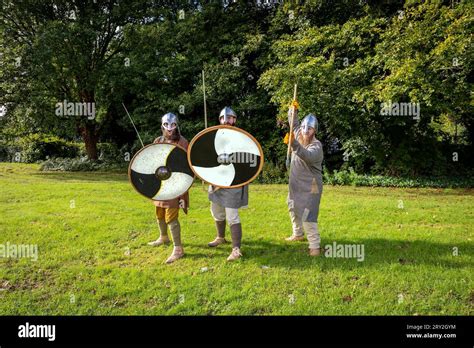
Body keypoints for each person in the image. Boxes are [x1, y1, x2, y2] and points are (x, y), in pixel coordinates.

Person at [147, 112, 189, 264]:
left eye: (173, 125)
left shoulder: (183, 142)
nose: (170, 129)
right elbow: (152, 160)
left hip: (176, 184)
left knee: (171, 215)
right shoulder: (158, 140)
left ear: (177, 125)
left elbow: (186, 165)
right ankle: (163, 237)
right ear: (162, 126)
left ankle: (178, 249)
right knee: (159, 212)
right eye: (167, 125)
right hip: (161, 184)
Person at [207, 106, 248, 261]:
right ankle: (221, 237)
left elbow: (247, 159)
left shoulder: (241, 137)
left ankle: (236, 249)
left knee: (232, 216)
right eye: (224, 118)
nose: (226, 121)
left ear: (234, 120)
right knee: (216, 211)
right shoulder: (214, 136)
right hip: (217, 180)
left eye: (229, 118)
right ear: (220, 119)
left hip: (233, 181)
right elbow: (207, 156)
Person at [285, 105, 324, 256]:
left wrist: (293, 143)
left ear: (315, 130)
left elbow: (306, 155)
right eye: (303, 127)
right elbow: (293, 123)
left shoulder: (317, 146)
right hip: (295, 183)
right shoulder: (298, 133)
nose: (305, 130)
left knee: (309, 214)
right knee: (292, 207)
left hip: (311, 185)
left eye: (310, 128)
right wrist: (292, 110)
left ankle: (314, 246)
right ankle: (298, 233)